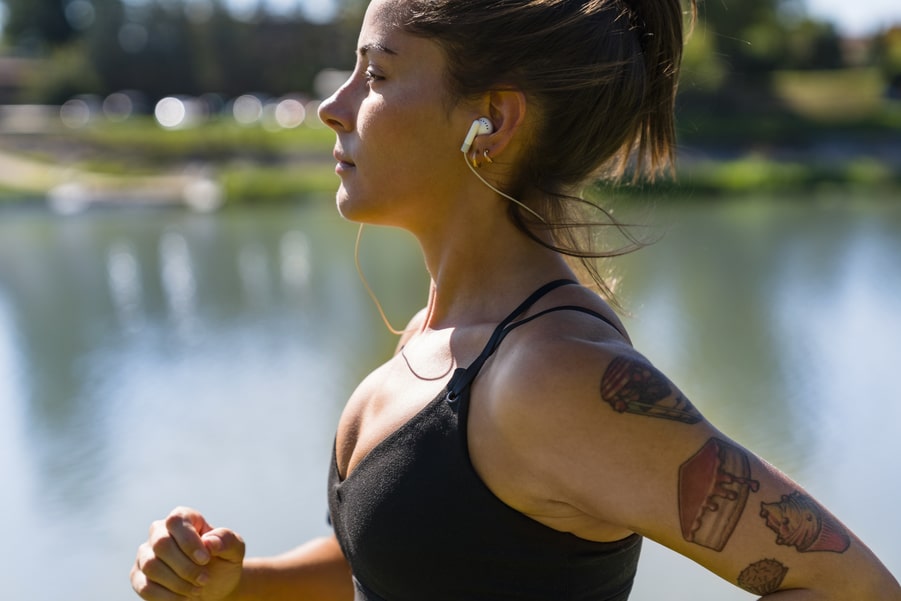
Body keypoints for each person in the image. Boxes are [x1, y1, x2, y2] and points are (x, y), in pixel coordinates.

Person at [130, 0, 901, 599]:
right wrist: (238, 583)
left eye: (377, 74)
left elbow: (850, 586)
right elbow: (400, 560)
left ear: (490, 119)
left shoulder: (548, 375)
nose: (335, 106)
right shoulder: (442, 341)